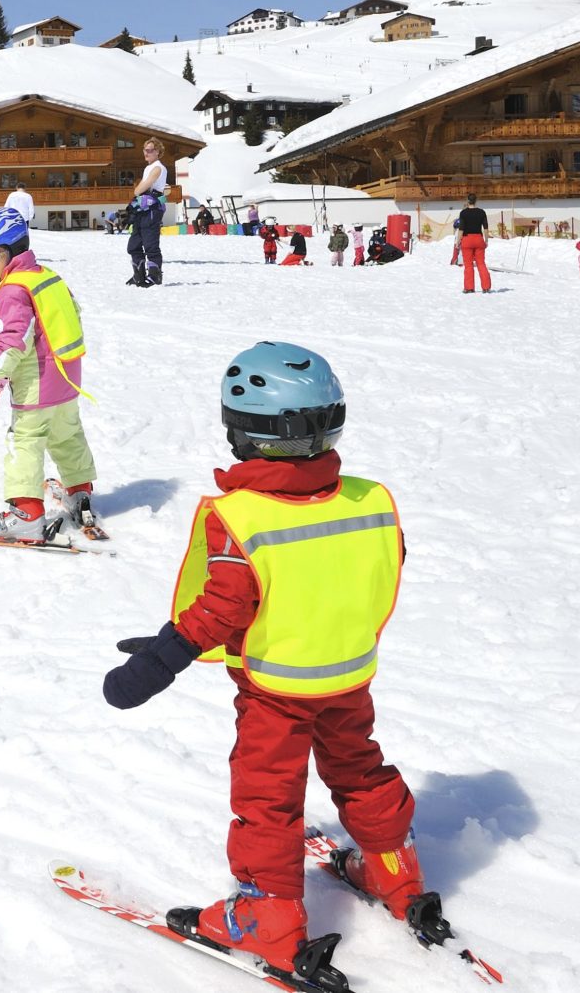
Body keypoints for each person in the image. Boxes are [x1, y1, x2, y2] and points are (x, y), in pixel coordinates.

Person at [102, 342, 425, 983]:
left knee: (269, 799)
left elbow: (224, 608)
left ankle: (269, 916)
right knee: (359, 768)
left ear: (243, 434)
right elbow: (363, 573)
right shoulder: (370, 501)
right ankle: (394, 869)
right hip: (347, 675)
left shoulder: (244, 517)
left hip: (276, 690)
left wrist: (162, 658)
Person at [0, 206, 98, 542]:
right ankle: (80, 493)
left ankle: (25, 513)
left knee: (24, 442)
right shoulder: (46, 276)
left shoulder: (13, 290)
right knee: (67, 436)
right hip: (67, 381)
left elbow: (14, 340)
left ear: (16, 249)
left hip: (36, 386)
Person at [126, 138, 169, 286]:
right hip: (143, 209)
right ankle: (139, 275)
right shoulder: (148, 168)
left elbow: (140, 189)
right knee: (134, 244)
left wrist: (138, 191)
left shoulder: (158, 167)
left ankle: (155, 276)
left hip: (152, 209)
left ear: (157, 152)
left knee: (150, 244)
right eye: (144, 150)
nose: (146, 153)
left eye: (149, 150)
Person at [455, 194, 491, 293]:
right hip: (478, 239)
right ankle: (486, 287)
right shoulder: (482, 212)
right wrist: (486, 240)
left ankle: (469, 287)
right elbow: (486, 227)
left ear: (467, 201)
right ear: (476, 201)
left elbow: (461, 229)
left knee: (468, 265)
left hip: (467, 240)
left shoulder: (463, 213)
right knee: (481, 263)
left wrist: (458, 241)